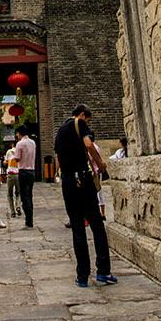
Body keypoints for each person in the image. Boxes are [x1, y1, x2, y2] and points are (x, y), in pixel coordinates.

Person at [54, 104, 115, 287]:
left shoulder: (60, 131)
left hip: (67, 181)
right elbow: (88, 144)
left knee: (78, 228)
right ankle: (103, 271)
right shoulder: (79, 124)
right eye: (88, 120)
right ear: (82, 115)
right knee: (96, 224)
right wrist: (100, 163)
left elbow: (58, 158)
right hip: (82, 179)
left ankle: (82, 276)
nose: (87, 123)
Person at [14, 124, 37, 228]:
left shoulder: (20, 144)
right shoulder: (33, 143)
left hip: (23, 171)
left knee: (24, 196)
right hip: (31, 171)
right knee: (30, 196)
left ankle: (28, 220)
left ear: (20, 133)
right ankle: (30, 219)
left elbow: (17, 158)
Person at [4, 139, 21, 218]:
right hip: (18, 174)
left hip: (10, 174)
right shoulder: (20, 151)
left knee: (10, 194)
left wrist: (6, 162)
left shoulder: (9, 151)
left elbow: (5, 162)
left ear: (12, 145)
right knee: (18, 192)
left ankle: (13, 212)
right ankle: (18, 206)